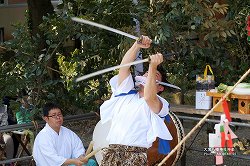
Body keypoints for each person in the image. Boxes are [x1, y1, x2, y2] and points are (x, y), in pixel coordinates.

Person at [100, 35, 173, 165]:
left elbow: (149, 97)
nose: (147, 74)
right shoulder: (125, 92)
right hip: (112, 152)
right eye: (146, 73)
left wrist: (153, 67)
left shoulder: (161, 104)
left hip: (135, 155)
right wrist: (137, 45)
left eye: (153, 76)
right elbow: (124, 66)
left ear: (160, 87)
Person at [33, 102, 97, 166]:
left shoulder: (68, 133)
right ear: (46, 118)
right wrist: (73, 161)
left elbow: (77, 148)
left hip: (69, 164)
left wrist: (81, 157)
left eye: (59, 114)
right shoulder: (43, 137)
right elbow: (52, 159)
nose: (58, 117)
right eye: (54, 115)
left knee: (91, 163)